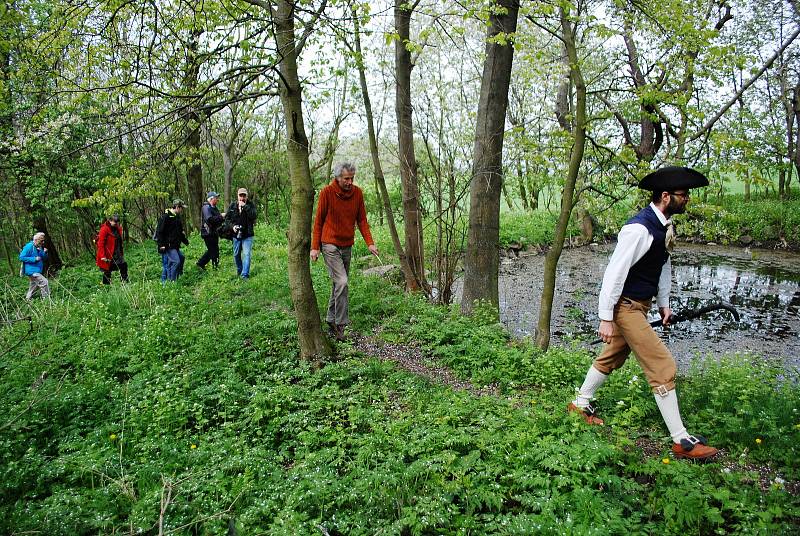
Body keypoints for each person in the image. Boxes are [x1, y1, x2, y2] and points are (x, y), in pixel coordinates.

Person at [568, 166, 719, 460]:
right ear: (666, 196)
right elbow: (614, 274)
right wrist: (606, 317)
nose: (687, 199)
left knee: (613, 355)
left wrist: (663, 303)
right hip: (626, 306)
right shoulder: (638, 229)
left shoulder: (663, 227)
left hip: (641, 305)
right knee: (662, 366)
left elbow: (662, 266)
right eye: (683, 195)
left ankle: (580, 403)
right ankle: (681, 441)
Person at [310, 162, 378, 341]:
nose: (350, 182)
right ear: (338, 178)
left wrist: (370, 243)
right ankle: (341, 326)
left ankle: (330, 319)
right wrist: (315, 248)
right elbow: (318, 221)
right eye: (346, 179)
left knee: (338, 285)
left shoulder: (357, 193)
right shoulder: (327, 193)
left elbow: (362, 220)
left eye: (352, 178)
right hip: (329, 244)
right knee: (342, 282)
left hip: (347, 244)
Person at [224, 187, 257, 279]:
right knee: (236, 254)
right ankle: (240, 270)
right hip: (236, 234)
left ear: (247, 196)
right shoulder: (233, 205)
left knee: (246, 254)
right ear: (237, 196)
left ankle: (244, 275)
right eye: (240, 195)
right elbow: (227, 219)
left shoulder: (250, 205)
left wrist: (245, 207)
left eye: (244, 196)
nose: (242, 198)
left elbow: (254, 215)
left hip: (248, 234)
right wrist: (232, 227)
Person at [155, 199, 189, 282]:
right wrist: (161, 245)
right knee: (176, 262)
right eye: (181, 208)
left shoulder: (177, 217)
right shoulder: (165, 217)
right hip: (168, 245)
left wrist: (185, 241)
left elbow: (180, 232)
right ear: (177, 207)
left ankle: (176, 276)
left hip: (175, 244)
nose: (182, 210)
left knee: (181, 258)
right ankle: (172, 281)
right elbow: (159, 232)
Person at [96, 215, 129, 284]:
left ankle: (125, 282)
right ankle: (106, 286)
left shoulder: (117, 228)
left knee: (123, 265)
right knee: (107, 270)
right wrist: (102, 256)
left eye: (117, 222)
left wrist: (120, 251)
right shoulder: (104, 229)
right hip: (108, 253)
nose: (116, 223)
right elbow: (100, 243)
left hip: (117, 252)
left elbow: (119, 240)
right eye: (114, 221)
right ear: (110, 220)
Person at [197, 191, 226, 270]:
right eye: (216, 198)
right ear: (211, 199)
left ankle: (214, 266)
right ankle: (201, 263)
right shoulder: (206, 208)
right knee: (212, 250)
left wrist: (223, 218)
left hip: (214, 232)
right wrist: (221, 216)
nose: (217, 199)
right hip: (207, 233)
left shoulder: (214, 208)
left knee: (215, 250)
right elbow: (209, 219)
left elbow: (218, 220)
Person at [19, 232, 50, 300]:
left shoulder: (39, 247)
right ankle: (47, 300)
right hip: (31, 271)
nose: (43, 242)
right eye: (41, 240)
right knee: (44, 282)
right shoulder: (29, 246)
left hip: (37, 270)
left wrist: (45, 252)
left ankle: (28, 299)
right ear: (36, 239)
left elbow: (43, 258)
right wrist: (34, 259)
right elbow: (21, 257)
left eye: (43, 240)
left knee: (34, 286)